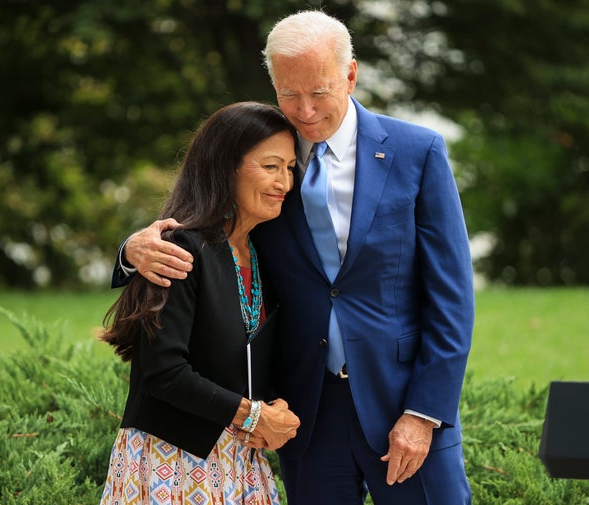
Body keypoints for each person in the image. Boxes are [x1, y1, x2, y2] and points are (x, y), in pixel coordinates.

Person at [113, 10, 474, 505]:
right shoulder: (264, 154)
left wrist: (424, 412)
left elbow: (451, 297)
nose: (303, 110)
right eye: (288, 93)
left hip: (404, 407)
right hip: (304, 412)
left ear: (350, 74)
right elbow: (206, 220)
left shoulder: (419, 152)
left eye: (318, 91)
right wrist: (131, 252)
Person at [100, 101, 301, 505]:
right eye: (270, 166)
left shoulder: (264, 253)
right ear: (226, 166)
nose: (285, 182)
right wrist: (254, 415)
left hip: (243, 461)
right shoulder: (177, 248)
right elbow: (162, 371)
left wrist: (276, 411)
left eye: (291, 168)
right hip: (172, 462)